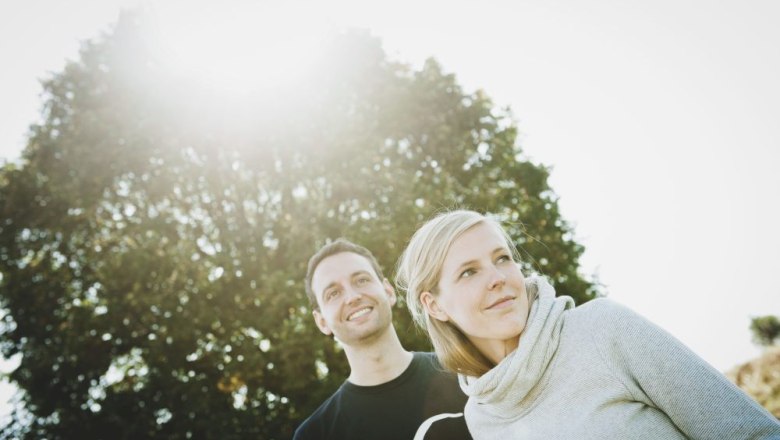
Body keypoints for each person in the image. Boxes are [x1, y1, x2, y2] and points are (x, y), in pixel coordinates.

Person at [396, 209, 780, 439]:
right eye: (468, 272)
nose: (497, 277)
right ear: (435, 306)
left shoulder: (602, 330)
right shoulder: (480, 420)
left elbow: (753, 433)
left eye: (502, 258)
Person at [293, 239, 473, 440]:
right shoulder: (316, 434)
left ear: (388, 292)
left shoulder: (467, 373)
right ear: (321, 322)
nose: (352, 297)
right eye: (333, 293)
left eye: (361, 280)